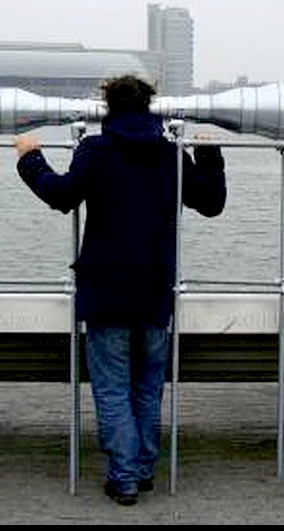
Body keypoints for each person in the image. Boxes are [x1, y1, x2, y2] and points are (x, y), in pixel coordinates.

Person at [14, 74, 226, 506]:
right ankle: (143, 469)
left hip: (106, 291)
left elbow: (61, 195)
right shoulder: (171, 156)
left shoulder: (95, 151)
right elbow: (211, 202)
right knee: (148, 387)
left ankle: (124, 477)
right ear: (151, 107)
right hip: (154, 290)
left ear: (107, 108)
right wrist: (208, 152)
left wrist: (30, 158)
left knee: (112, 389)